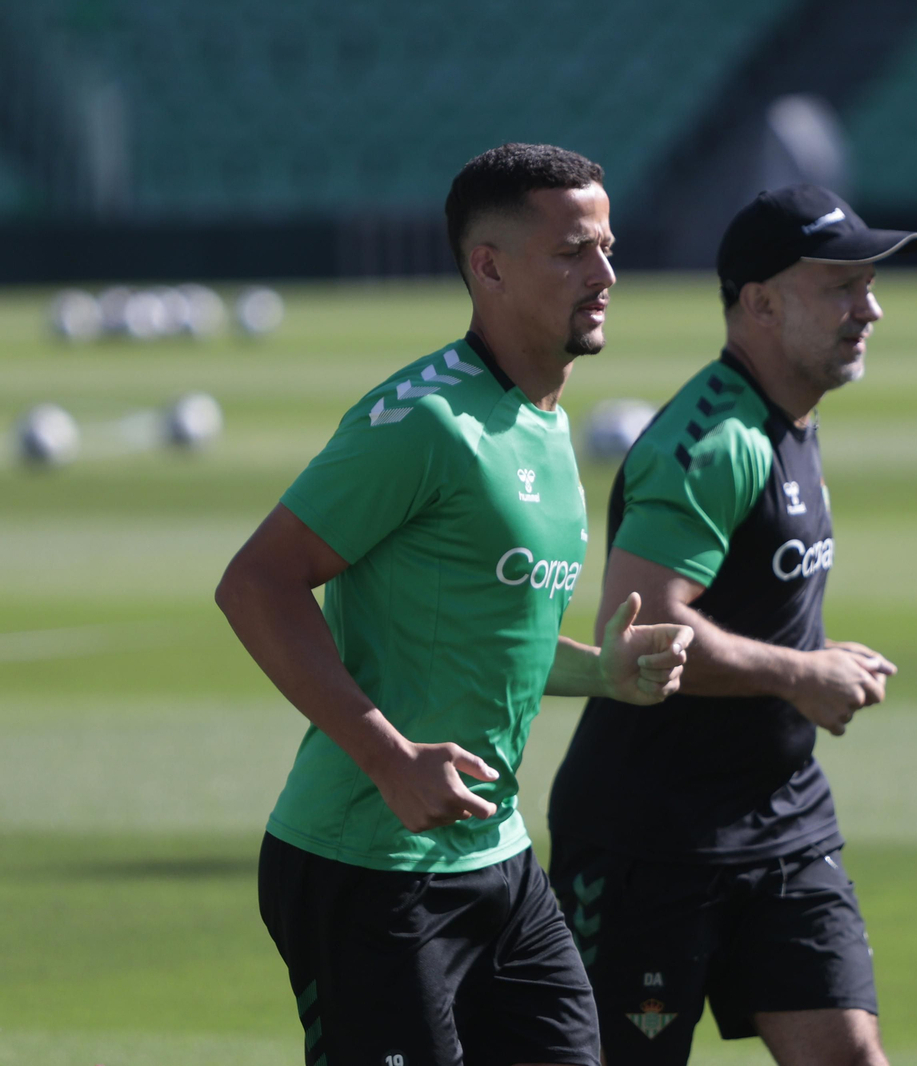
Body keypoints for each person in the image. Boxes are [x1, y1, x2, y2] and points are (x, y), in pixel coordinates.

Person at [215, 142, 694, 1066]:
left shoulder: (546, 422)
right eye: (571, 253)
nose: (605, 275)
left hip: (496, 860)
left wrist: (601, 673)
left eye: (606, 247)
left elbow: (481, 630)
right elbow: (255, 584)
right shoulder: (426, 423)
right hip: (368, 870)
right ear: (488, 265)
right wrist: (389, 758)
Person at [545, 185, 917, 1066]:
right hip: (650, 836)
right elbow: (637, 632)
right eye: (840, 286)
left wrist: (809, 660)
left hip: (782, 814)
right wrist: (802, 674)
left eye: (869, 285)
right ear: (759, 302)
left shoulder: (790, 413)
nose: (869, 308)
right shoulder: (715, 443)